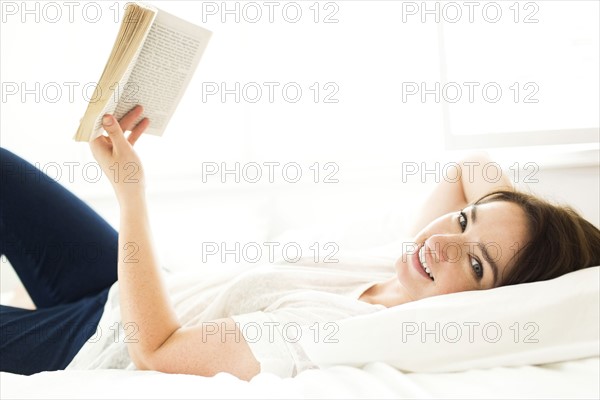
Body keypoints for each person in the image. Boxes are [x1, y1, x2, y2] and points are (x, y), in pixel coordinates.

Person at [1, 105, 599, 380]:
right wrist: (514, 227)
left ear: (491, 304)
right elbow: (472, 166)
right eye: (464, 221)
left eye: (475, 264)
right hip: (130, 288)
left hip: (95, 341)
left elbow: (155, 352)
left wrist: (131, 193)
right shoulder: (407, 264)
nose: (441, 242)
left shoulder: (331, 333)